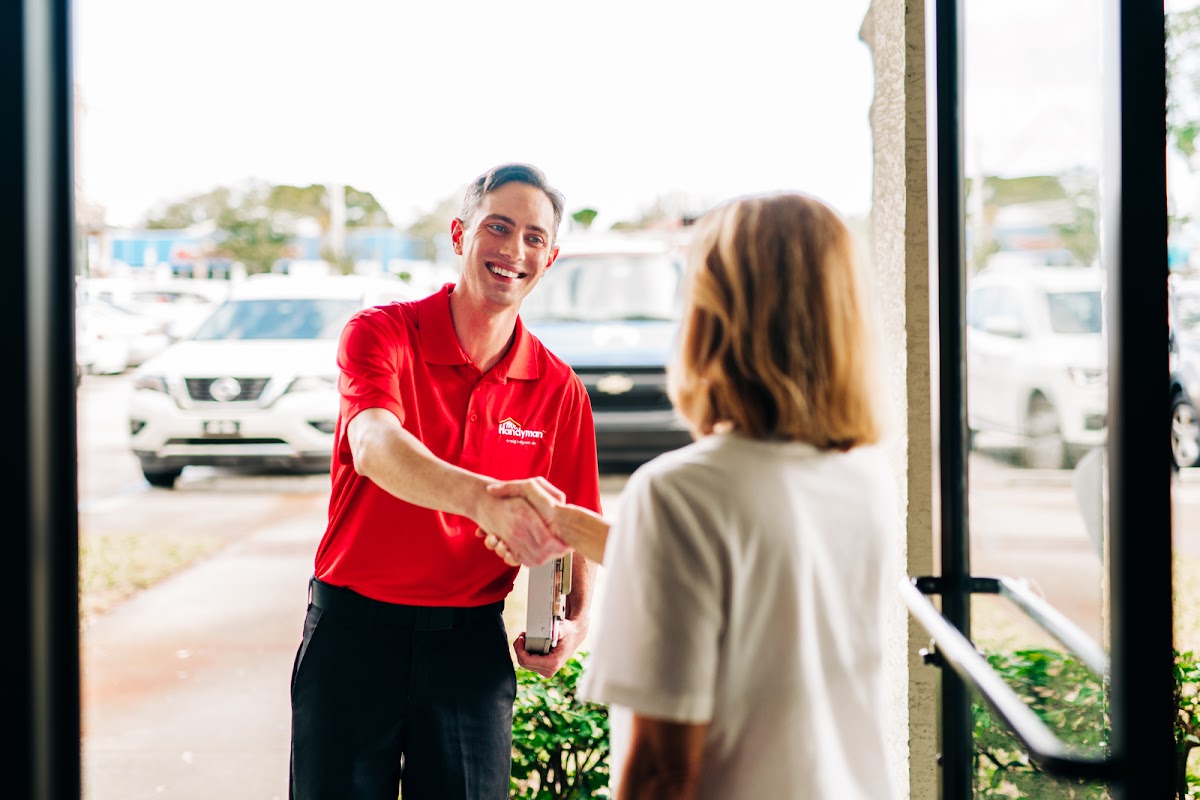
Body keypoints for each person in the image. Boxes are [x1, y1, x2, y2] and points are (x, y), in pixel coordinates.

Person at [486, 191, 900, 799]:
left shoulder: (681, 492)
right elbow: (751, 563)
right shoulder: (864, 478)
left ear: (714, 311)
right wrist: (571, 526)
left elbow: (663, 770)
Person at [288, 162, 603, 800]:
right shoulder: (381, 334)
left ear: (550, 256)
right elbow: (375, 445)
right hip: (353, 637)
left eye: (534, 237)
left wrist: (575, 621)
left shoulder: (558, 387)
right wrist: (486, 501)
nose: (513, 250)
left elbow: (574, 522)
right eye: (498, 227)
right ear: (461, 234)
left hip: (468, 652)